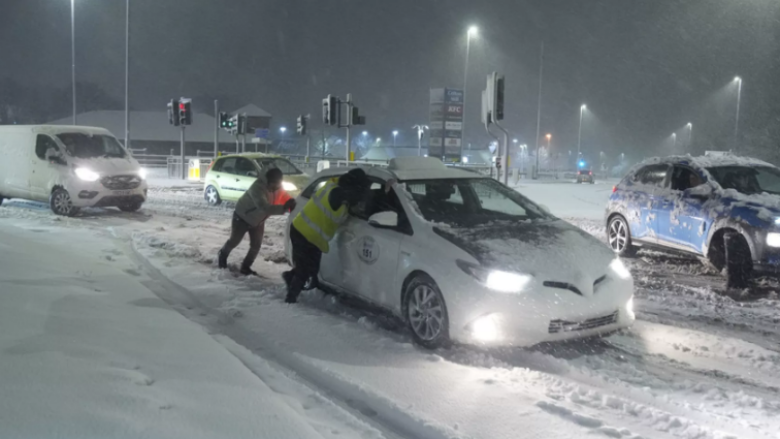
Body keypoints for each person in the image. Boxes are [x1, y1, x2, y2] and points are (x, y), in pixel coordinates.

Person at [283, 168, 372, 304]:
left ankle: (289, 277)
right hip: (303, 233)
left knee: (312, 268)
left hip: (307, 233)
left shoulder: (334, 185)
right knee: (304, 270)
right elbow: (349, 201)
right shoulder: (338, 195)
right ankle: (290, 299)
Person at [218, 168, 296, 275]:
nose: (275, 188)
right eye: (273, 185)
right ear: (268, 181)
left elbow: (284, 196)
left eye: (277, 185)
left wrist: (290, 202)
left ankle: (245, 267)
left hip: (258, 220)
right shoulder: (257, 188)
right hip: (242, 217)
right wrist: (283, 208)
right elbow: (264, 207)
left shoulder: (277, 187)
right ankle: (222, 255)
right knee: (234, 241)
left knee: (256, 245)